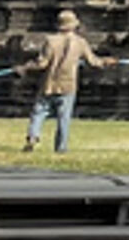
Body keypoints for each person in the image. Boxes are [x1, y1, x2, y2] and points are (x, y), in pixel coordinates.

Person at [16, 10, 113, 153]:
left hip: (49, 83)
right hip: (68, 85)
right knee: (64, 118)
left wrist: (25, 67)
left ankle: (32, 137)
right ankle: (61, 147)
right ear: (74, 25)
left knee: (39, 112)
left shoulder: (50, 40)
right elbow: (93, 61)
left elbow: (42, 63)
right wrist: (106, 61)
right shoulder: (80, 42)